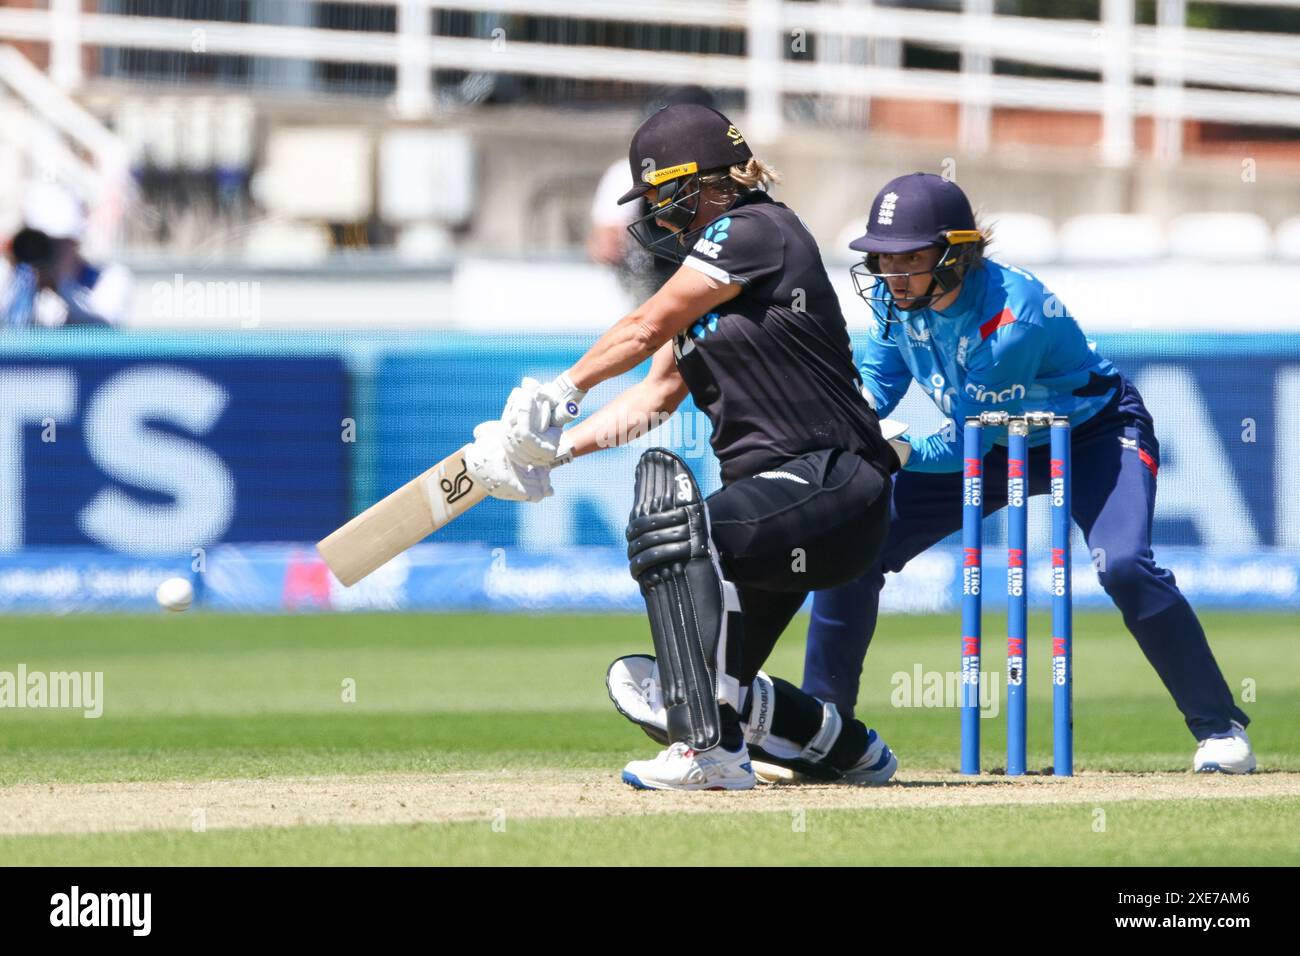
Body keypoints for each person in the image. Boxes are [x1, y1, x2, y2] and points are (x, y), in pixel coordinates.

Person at [464, 103, 901, 790]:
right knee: (706, 685)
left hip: (834, 484)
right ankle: (844, 749)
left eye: (664, 205)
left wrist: (562, 389)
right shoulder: (715, 293)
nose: (661, 224)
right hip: (781, 515)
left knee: (680, 535)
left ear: (698, 185)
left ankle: (709, 754)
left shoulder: (756, 229)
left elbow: (642, 326)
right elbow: (652, 398)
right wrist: (551, 452)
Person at [802, 172, 1256, 774]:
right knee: (852, 546)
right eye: (882, 259)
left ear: (956, 253)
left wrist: (895, 451)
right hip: (994, 439)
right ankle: (823, 732)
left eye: (908, 259)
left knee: (1122, 564)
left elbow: (969, 439)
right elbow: (875, 392)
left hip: (1091, 434)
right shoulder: (895, 299)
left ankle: (1219, 729)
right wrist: (827, 433)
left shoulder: (1011, 320)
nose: (890, 275)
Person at [586, 86, 718, 303]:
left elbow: (606, 246)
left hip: (693, 288)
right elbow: (605, 246)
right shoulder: (742, 178)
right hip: (667, 288)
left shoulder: (627, 173)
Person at [1, 182, 130, 329]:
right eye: (38, 241)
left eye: (57, 243)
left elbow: (103, 329)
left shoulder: (107, 279)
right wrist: (15, 278)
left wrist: (60, 286)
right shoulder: (12, 277)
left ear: (74, 242)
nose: (45, 250)